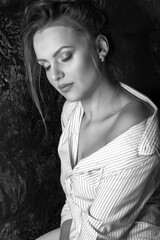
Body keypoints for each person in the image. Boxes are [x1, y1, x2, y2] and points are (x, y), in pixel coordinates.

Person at [23, 0, 160, 239]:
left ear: (100, 47)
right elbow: (73, 199)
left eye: (65, 56)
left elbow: (98, 234)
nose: (55, 75)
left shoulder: (135, 139)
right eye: (45, 66)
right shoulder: (72, 111)